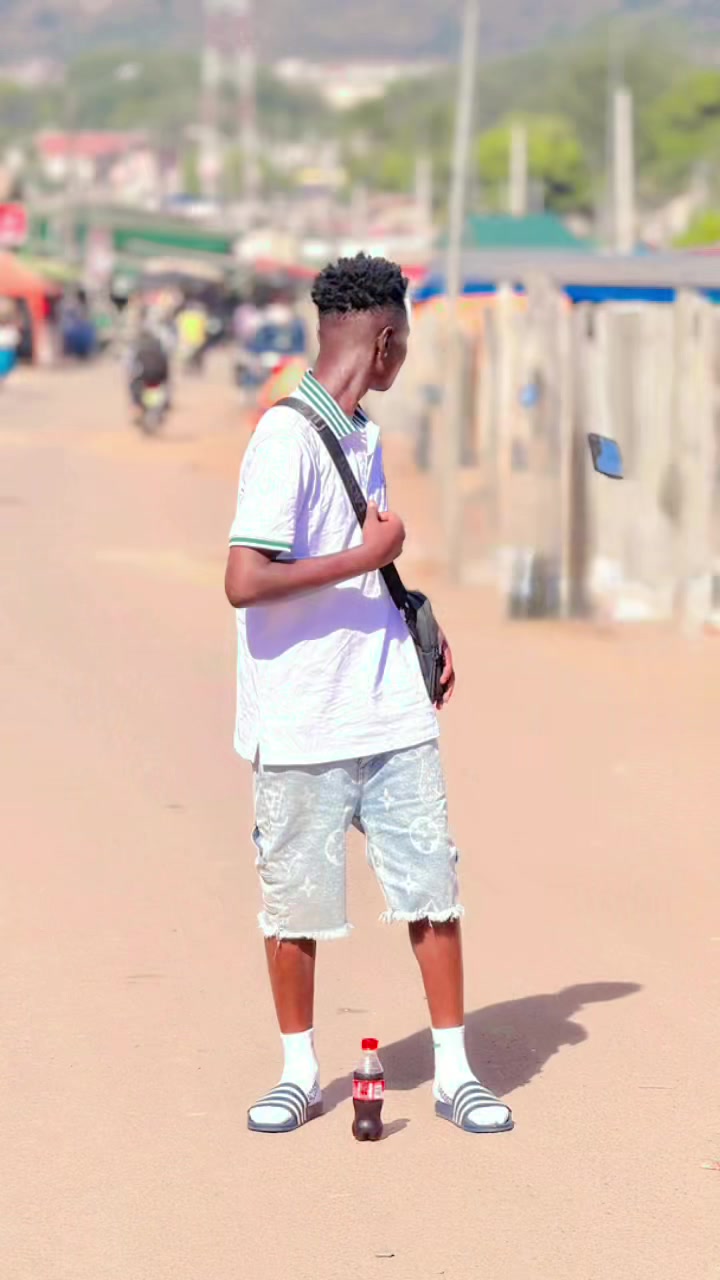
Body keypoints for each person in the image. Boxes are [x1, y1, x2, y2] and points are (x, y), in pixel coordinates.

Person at [224, 253, 513, 1137]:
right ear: (383, 340)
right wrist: (368, 557)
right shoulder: (283, 438)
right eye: (406, 342)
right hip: (301, 717)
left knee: (433, 889)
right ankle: (298, 1072)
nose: (404, 357)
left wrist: (409, 609)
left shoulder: (363, 434)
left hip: (388, 708)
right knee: (294, 907)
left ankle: (456, 1073)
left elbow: (362, 558)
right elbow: (244, 579)